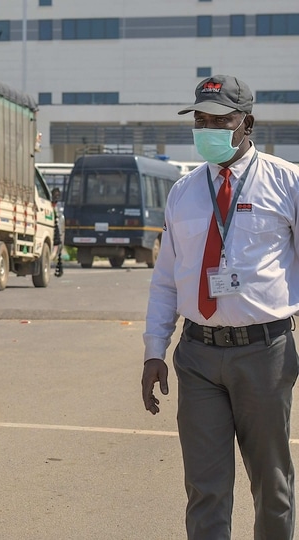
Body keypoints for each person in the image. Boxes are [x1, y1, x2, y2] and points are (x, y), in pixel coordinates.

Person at [142, 75, 299, 540]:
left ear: (246, 123)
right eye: (201, 120)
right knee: (205, 487)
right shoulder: (184, 191)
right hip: (198, 356)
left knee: (271, 484)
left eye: (220, 120)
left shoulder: (286, 181)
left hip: (265, 352)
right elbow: (166, 279)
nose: (207, 127)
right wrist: (154, 351)